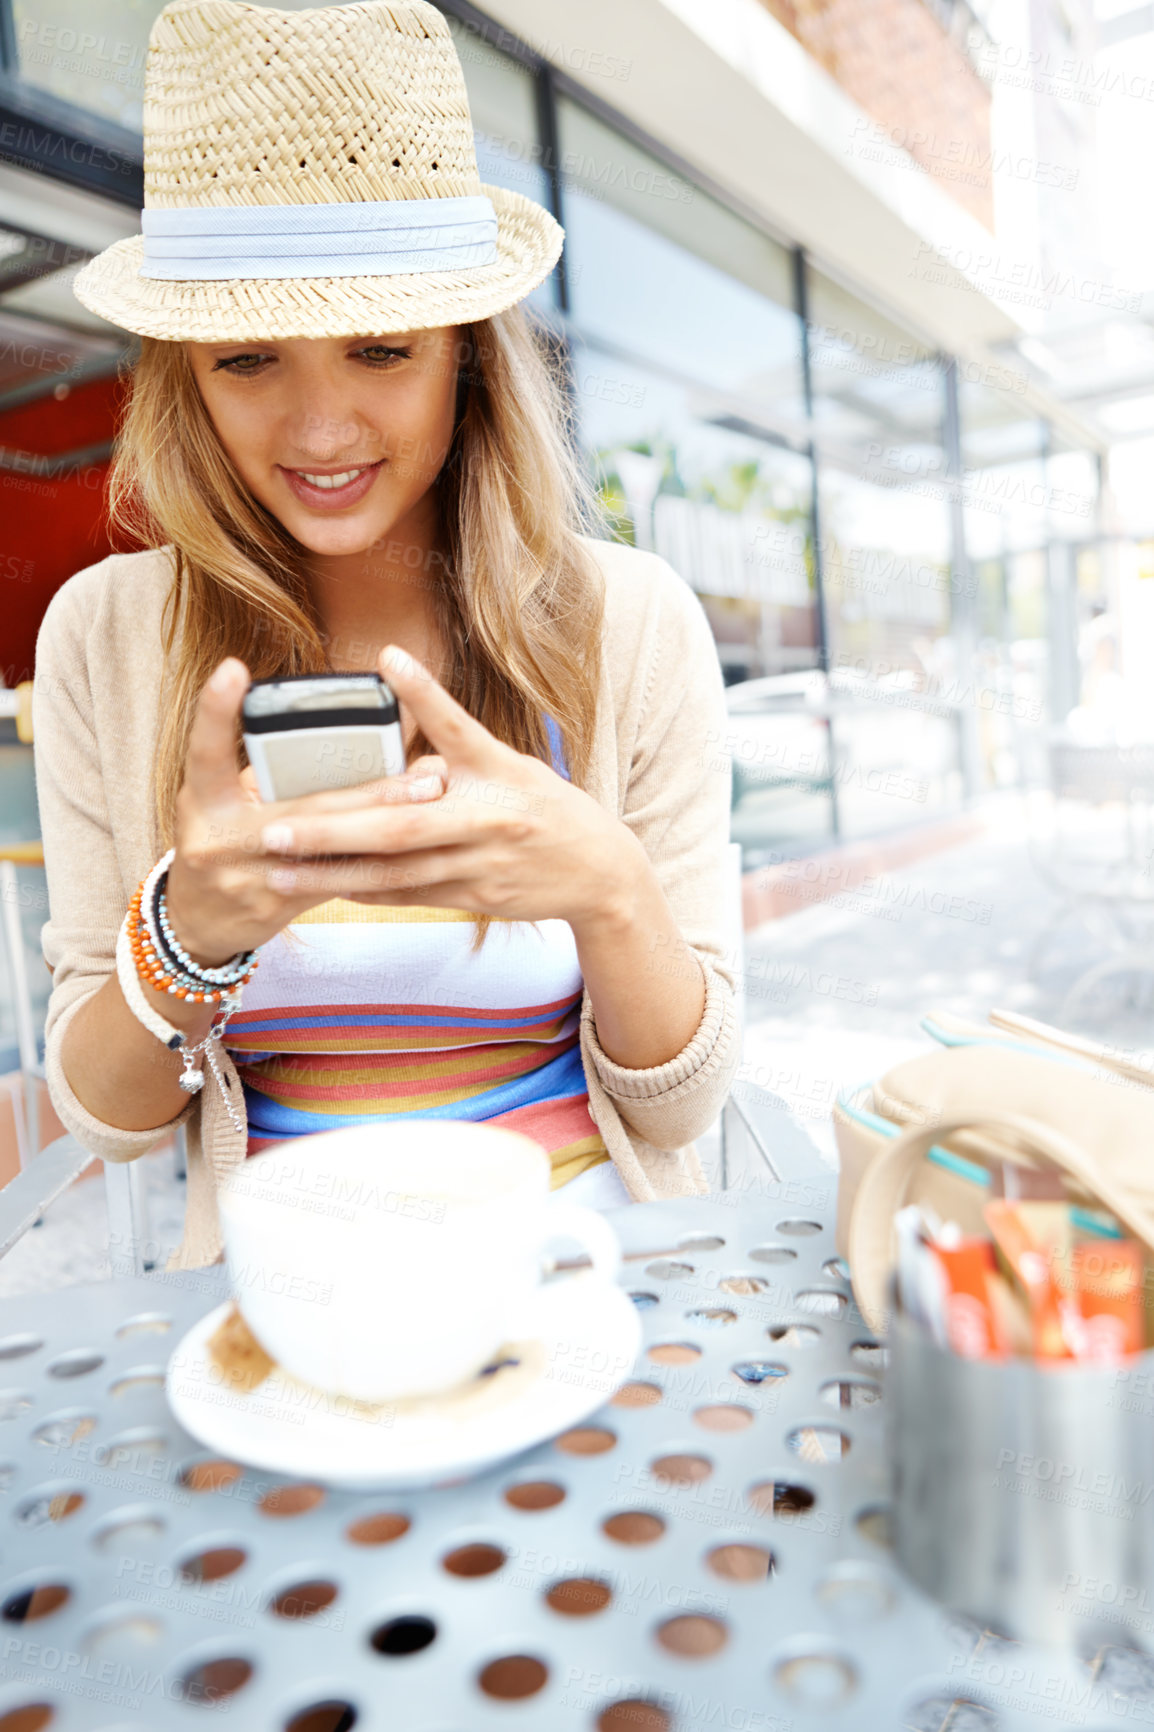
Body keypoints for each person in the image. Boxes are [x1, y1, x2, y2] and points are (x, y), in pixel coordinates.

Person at [33, 0, 739, 1272]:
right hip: (275, 1309)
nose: (319, 431)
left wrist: (608, 886)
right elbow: (107, 1119)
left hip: (594, 1290)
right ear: (184, 374)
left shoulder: (627, 625)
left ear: (470, 360)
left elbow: (679, 1108)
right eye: (247, 358)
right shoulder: (103, 635)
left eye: (378, 350)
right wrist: (186, 931)